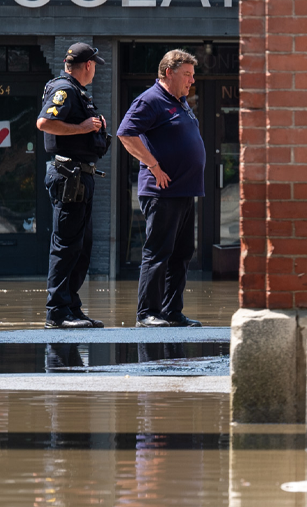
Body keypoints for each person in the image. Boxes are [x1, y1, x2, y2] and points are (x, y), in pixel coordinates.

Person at [117, 49, 207, 327]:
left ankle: (171, 311)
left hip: (184, 191)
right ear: (169, 72)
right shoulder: (151, 100)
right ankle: (147, 313)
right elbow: (125, 134)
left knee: (181, 255)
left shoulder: (180, 102)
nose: (192, 81)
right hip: (162, 192)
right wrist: (154, 166)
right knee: (158, 253)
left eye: (193, 75)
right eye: (187, 75)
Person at [36, 42, 111, 328]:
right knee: (66, 245)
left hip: (81, 176)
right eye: (95, 66)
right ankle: (56, 313)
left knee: (81, 245)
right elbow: (44, 122)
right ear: (89, 65)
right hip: (69, 175)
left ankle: (70, 306)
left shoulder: (76, 92)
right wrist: (81, 128)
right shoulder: (64, 90)